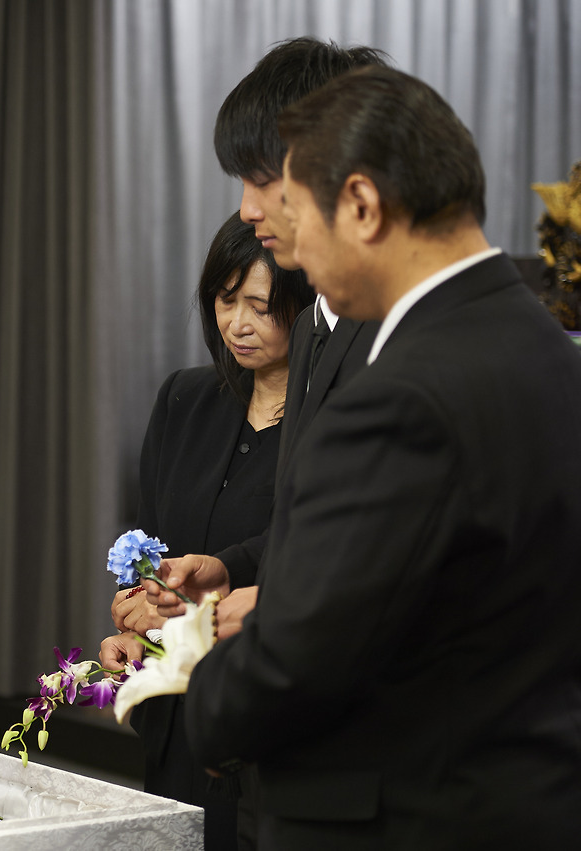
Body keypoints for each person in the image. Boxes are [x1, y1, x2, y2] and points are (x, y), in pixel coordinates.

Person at [183, 66, 581, 848]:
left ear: (362, 206)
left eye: (294, 206)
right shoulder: (550, 350)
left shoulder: (400, 397)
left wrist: (190, 683)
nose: (274, 227)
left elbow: (290, 667)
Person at [155, 36, 389, 639]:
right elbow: (310, 527)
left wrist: (275, 601)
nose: (246, 209)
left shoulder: (401, 338)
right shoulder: (318, 329)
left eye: (261, 179)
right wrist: (229, 571)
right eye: (225, 300)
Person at [100, 213, 312, 849]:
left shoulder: (328, 421)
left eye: (261, 307)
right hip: (177, 712)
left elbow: (313, 558)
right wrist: (134, 619)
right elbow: (152, 546)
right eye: (225, 300)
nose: (237, 324)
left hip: (268, 719)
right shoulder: (185, 399)